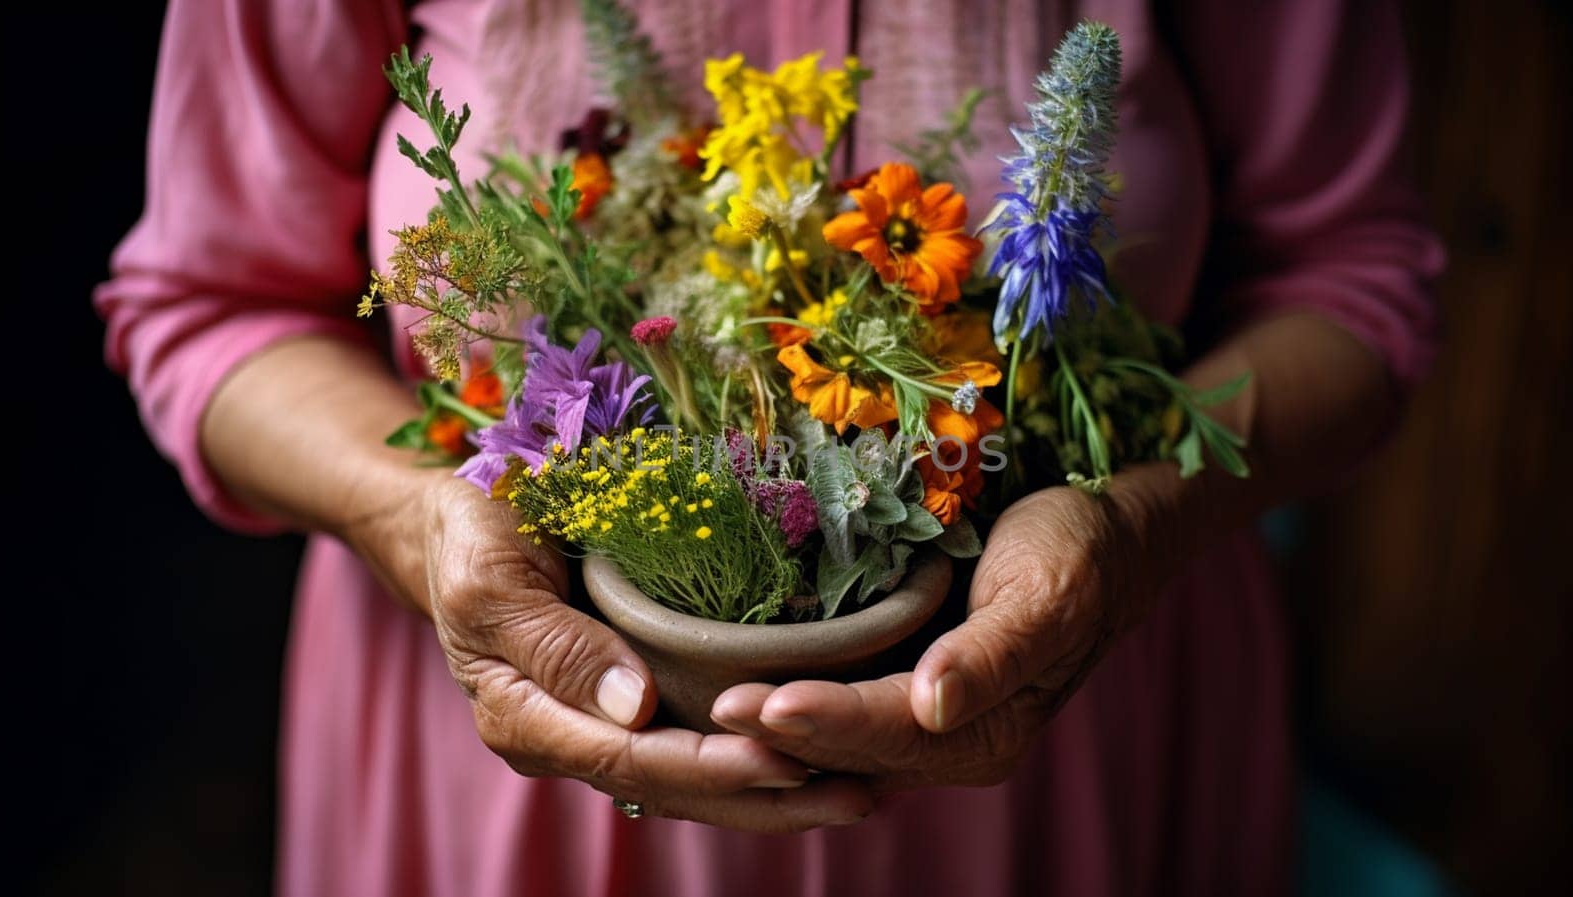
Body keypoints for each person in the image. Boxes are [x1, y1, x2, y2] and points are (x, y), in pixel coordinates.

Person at [97, 1, 1442, 894]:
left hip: (1075, 761)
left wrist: (1138, 523)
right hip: (505, 799)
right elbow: (208, 306)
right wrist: (416, 515)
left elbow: (1355, 275)